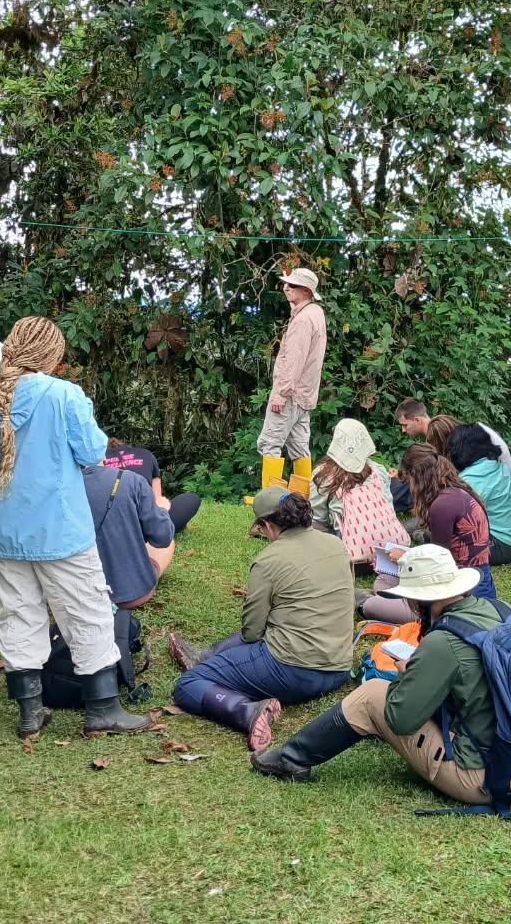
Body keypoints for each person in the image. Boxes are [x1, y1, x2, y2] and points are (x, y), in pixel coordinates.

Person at [0, 316, 149, 740]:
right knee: (89, 612)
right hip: (58, 527)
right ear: (51, 354)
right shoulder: (63, 394)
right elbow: (91, 451)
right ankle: (102, 709)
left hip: (5, 527)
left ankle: (31, 712)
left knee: (18, 612)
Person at [250, 543, 501, 808]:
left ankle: (292, 758)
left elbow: (400, 718)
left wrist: (409, 675)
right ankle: (293, 756)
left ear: (419, 600)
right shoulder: (498, 611)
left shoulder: (444, 642)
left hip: (482, 777)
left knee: (372, 696)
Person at [167, 488, 353, 750]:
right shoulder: (336, 545)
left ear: (267, 524)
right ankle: (205, 657)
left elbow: (252, 632)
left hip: (293, 671)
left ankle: (247, 711)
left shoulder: (269, 560)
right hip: (339, 668)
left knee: (188, 685)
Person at [76, 460, 175, 694]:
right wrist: (160, 509)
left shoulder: (56, 485)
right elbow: (162, 536)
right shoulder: (130, 480)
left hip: (75, 595)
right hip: (130, 593)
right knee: (163, 545)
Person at [253, 267, 327, 495]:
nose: (286, 287)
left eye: (292, 285)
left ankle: (270, 502)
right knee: (299, 447)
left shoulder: (304, 319)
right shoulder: (316, 313)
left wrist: (280, 394)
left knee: (270, 444)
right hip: (304, 395)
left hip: (291, 394)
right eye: (286, 283)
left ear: (306, 291)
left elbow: (294, 361)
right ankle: (303, 499)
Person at [390, 443, 495, 602]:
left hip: (465, 592)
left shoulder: (441, 505)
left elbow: (437, 562)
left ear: (417, 476)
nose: (410, 488)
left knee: (383, 593)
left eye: (409, 480)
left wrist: (406, 556)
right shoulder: (457, 490)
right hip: (481, 581)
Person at [309, 418, 409, 560]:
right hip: (391, 551)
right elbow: (388, 505)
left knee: (310, 526)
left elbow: (318, 517)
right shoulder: (378, 470)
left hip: (352, 553)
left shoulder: (323, 474)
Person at [443, 424, 511, 566]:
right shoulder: (496, 465)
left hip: (500, 546)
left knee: (439, 533)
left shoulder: (474, 477)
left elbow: (450, 516)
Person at [103, 437, 201, 536]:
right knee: (191, 499)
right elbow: (157, 500)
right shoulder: (146, 454)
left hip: (109, 527)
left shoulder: (95, 463)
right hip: (147, 527)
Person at [395, 400, 511, 469]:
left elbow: (442, 471)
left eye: (405, 425)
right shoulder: (443, 422)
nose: (403, 430)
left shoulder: (436, 431)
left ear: (417, 420)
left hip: (495, 472)